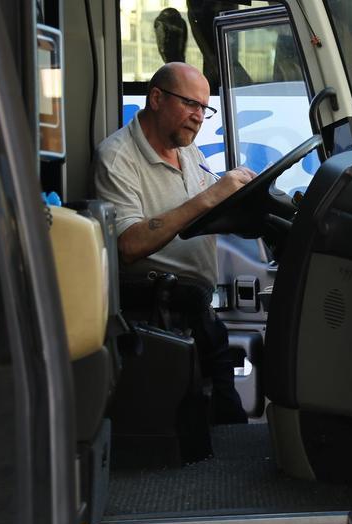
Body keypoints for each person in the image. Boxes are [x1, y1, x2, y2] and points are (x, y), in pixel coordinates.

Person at [94, 62, 255, 424]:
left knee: (226, 422)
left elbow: (206, 210)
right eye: (190, 105)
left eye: (205, 108)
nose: (199, 117)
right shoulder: (117, 158)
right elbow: (129, 245)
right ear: (156, 98)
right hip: (159, 313)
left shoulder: (186, 150)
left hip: (200, 310)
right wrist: (209, 197)